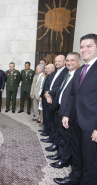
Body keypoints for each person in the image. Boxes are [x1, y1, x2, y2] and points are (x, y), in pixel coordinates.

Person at [61, 33, 97, 185]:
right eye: (82, 47)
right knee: (77, 155)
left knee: (90, 160)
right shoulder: (80, 70)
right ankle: (75, 178)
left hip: (91, 124)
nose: (84, 49)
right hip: (75, 121)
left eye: (89, 46)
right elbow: (73, 95)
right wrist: (67, 114)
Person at [53, 52, 82, 185]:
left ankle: (64, 160)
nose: (69, 63)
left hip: (69, 114)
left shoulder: (78, 75)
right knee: (62, 136)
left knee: (67, 138)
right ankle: (61, 155)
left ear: (78, 62)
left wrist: (66, 113)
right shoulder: (67, 74)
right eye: (68, 60)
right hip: (62, 110)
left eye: (72, 60)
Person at [41, 55, 68, 148]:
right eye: (56, 61)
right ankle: (52, 138)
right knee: (52, 121)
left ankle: (56, 143)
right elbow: (48, 84)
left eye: (59, 61)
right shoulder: (54, 73)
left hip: (57, 101)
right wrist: (46, 94)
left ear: (65, 62)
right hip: (49, 100)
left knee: (57, 124)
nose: (57, 63)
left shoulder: (66, 72)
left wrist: (49, 94)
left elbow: (61, 86)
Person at [39, 64, 55, 135]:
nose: (46, 70)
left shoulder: (53, 76)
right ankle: (45, 129)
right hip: (44, 98)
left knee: (48, 116)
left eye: (48, 68)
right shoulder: (47, 76)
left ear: (53, 69)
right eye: (46, 68)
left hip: (49, 98)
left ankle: (48, 131)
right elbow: (44, 87)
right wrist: (41, 96)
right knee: (45, 115)